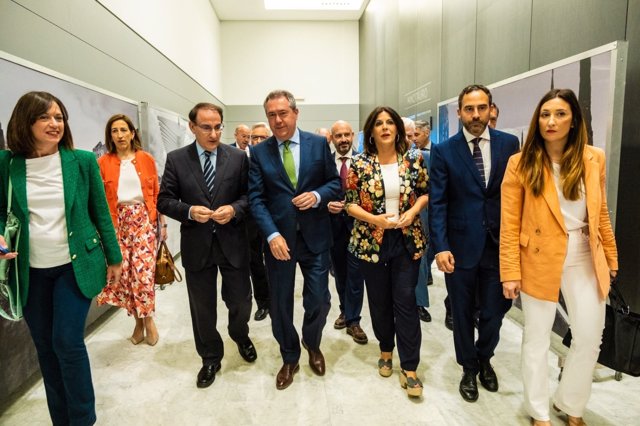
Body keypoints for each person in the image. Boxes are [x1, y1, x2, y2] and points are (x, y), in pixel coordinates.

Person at [0, 91, 122, 425]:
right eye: (46, 117)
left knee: (66, 342)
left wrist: (114, 258)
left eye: (59, 117)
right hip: (29, 271)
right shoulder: (7, 164)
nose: (55, 124)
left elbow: (100, 210)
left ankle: (83, 419)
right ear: (25, 122)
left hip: (74, 266)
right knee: (45, 346)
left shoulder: (80, 161)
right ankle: (62, 419)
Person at [501, 88, 618, 426]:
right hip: (538, 256)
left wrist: (611, 258)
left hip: (584, 253)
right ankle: (539, 411)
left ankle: (570, 402)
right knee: (536, 338)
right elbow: (509, 224)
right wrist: (510, 271)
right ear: (537, 120)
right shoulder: (520, 163)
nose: (551, 121)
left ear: (574, 120)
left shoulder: (593, 158)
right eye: (545, 114)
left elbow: (602, 214)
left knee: (589, 336)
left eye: (560, 114)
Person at [429, 84, 519, 403]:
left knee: (495, 312)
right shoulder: (443, 151)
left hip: (499, 246)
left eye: (482, 108)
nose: (476, 115)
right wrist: (440, 246)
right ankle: (468, 367)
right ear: (459, 113)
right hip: (460, 247)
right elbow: (438, 202)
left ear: (491, 109)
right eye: (469, 109)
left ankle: (485, 356)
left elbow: (516, 197)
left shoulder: (510, 145)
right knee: (463, 313)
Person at [157, 102, 256, 389]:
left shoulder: (237, 158)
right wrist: (188, 211)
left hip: (233, 242)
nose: (213, 133)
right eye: (206, 127)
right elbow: (164, 200)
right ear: (192, 127)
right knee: (202, 307)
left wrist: (234, 210)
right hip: (197, 245)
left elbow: (250, 196)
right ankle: (210, 356)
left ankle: (240, 334)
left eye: (217, 127)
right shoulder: (177, 159)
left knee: (240, 300)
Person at [248, 89, 341, 390]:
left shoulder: (317, 144)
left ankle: (312, 343)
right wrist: (272, 234)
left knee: (319, 299)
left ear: (295, 113)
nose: (278, 120)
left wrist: (316, 196)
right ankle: (290, 355)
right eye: (271, 115)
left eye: (283, 113)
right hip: (279, 242)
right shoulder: (259, 153)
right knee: (280, 304)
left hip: (315, 237)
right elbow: (256, 199)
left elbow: (335, 184)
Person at [345, 106, 429, 398]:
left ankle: (410, 367)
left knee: (405, 300)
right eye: (378, 123)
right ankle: (385, 349)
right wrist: (375, 219)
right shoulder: (359, 163)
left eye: (389, 122)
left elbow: (424, 192)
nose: (384, 127)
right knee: (379, 301)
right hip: (372, 242)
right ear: (371, 131)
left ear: (397, 128)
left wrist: (414, 211)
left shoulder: (414, 159)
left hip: (406, 240)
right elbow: (350, 203)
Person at [96, 114, 164, 346]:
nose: (120, 135)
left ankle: (149, 321)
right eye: (114, 131)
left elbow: (156, 194)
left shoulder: (146, 159)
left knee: (143, 275)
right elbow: (98, 200)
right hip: (117, 224)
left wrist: (161, 224)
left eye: (124, 130)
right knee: (125, 277)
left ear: (132, 133)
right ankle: (136, 321)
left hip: (143, 220)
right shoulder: (103, 163)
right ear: (110, 136)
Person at [327, 120, 367, 344]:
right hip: (333, 227)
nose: (343, 139)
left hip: (359, 226)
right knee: (340, 273)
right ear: (332, 139)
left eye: (346, 135)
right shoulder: (324, 163)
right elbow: (319, 190)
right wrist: (326, 205)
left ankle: (354, 320)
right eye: (338, 136)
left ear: (353, 136)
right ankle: (345, 310)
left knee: (356, 274)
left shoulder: (364, 160)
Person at [414, 120, 433, 323]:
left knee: (421, 262)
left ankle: (419, 304)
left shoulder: (427, 157)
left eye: (415, 135)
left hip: (421, 216)